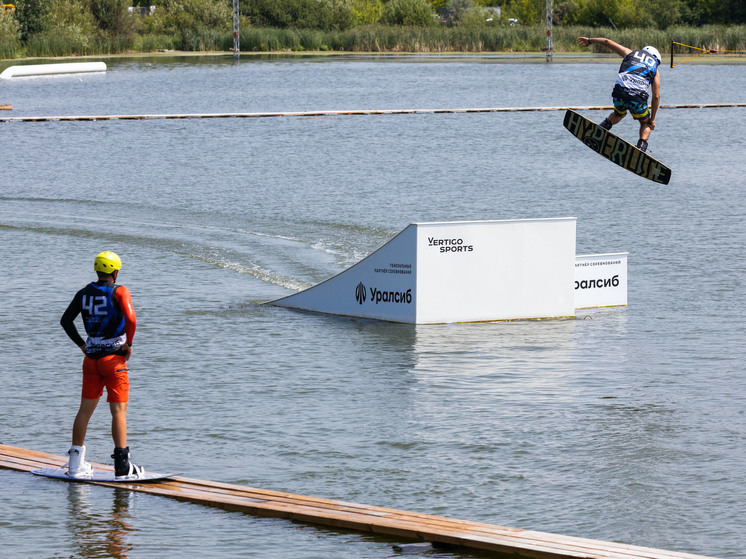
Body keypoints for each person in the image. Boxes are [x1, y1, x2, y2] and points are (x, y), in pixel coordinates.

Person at [60, 251, 143, 479]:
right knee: (118, 411)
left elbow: (65, 321)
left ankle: (75, 464)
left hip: (91, 361)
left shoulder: (83, 293)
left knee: (84, 411)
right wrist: (130, 344)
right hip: (114, 360)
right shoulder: (120, 291)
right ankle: (122, 466)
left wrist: (81, 345)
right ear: (115, 272)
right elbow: (132, 319)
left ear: (97, 270)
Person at [577, 36, 661, 152]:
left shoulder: (629, 53)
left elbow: (607, 42)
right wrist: (652, 119)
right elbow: (656, 96)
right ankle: (641, 149)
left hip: (619, 93)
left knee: (618, 114)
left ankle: (599, 130)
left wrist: (589, 40)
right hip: (637, 98)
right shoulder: (655, 70)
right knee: (645, 122)